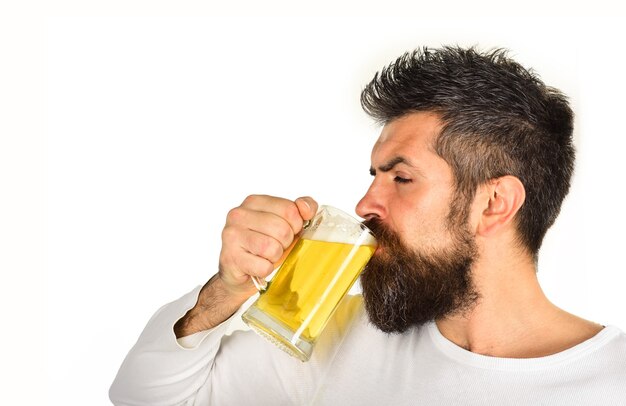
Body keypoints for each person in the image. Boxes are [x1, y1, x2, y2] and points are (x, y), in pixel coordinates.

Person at [109, 46, 626, 405]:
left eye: (401, 178)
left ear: (494, 203)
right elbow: (145, 397)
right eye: (373, 176)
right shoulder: (334, 336)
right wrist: (223, 294)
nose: (364, 205)